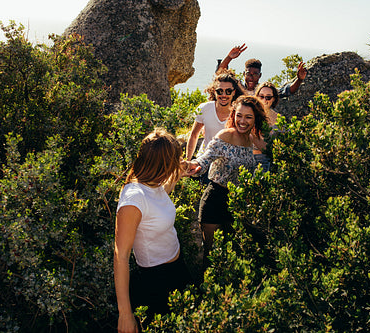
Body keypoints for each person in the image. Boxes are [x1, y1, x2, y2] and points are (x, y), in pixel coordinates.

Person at [114, 129, 195, 333]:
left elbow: (158, 197)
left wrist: (178, 174)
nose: (177, 164)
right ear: (160, 165)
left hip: (178, 268)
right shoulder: (134, 199)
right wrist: (125, 314)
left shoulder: (153, 184)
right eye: (174, 161)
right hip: (157, 281)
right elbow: (121, 256)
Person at [187, 96, 268, 267]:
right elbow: (205, 158)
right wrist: (193, 165)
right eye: (239, 115)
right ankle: (207, 292)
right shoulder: (226, 135)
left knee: (233, 255)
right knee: (211, 257)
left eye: (248, 117)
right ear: (233, 115)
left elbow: (273, 149)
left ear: (255, 119)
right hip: (215, 199)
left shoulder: (251, 139)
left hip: (236, 204)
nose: (242, 121)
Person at [186, 70, 246, 162]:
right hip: (205, 158)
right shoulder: (204, 108)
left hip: (228, 161)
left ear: (234, 92)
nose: (224, 95)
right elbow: (194, 135)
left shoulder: (239, 113)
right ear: (214, 92)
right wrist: (188, 161)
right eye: (220, 91)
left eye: (228, 91)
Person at [217, 43, 308, 96]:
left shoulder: (263, 92)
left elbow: (287, 90)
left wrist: (299, 79)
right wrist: (229, 57)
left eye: (255, 74)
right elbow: (221, 74)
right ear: (244, 74)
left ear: (260, 75)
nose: (251, 77)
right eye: (248, 74)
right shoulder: (238, 87)